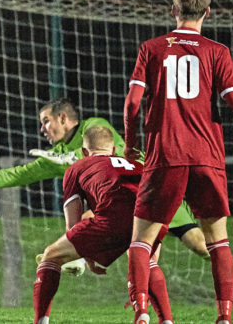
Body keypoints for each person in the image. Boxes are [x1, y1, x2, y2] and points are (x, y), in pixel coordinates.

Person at [0, 97, 233, 312]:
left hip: (149, 188)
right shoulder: (56, 157)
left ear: (63, 118)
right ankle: (150, 313)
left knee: (201, 245)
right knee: (142, 252)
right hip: (125, 207)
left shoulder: (92, 127)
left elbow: (113, 153)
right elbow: (21, 173)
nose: (42, 129)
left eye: (46, 121)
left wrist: (67, 160)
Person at [124, 0, 233, 324]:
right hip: (206, 156)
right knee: (218, 241)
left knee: (141, 243)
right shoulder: (217, 51)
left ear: (174, 11)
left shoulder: (152, 48)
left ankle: (142, 313)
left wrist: (129, 144)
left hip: (165, 154)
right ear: (207, 13)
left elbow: (132, 103)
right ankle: (225, 318)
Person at [32, 125, 172, 324]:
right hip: (155, 215)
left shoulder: (77, 168)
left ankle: (40, 321)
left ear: (84, 152)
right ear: (114, 150)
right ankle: (165, 320)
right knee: (148, 262)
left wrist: (85, 255)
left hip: (115, 217)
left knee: (50, 256)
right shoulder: (136, 164)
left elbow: (73, 224)